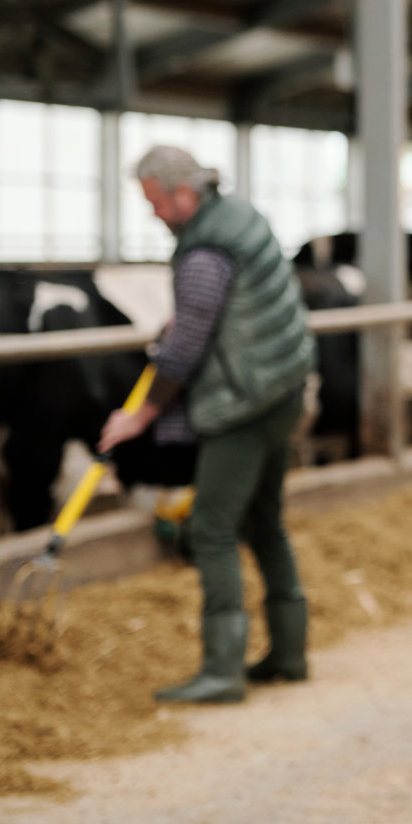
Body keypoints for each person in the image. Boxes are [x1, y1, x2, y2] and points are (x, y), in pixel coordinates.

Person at [99, 145, 316, 704]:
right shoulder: (239, 217)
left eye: (155, 202)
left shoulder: (204, 252)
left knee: (210, 530)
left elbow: (186, 346)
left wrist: (142, 414)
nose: (153, 213)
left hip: (242, 403)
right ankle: (289, 654)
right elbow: (227, 307)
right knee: (265, 522)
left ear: (183, 193)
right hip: (283, 390)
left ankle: (222, 671)